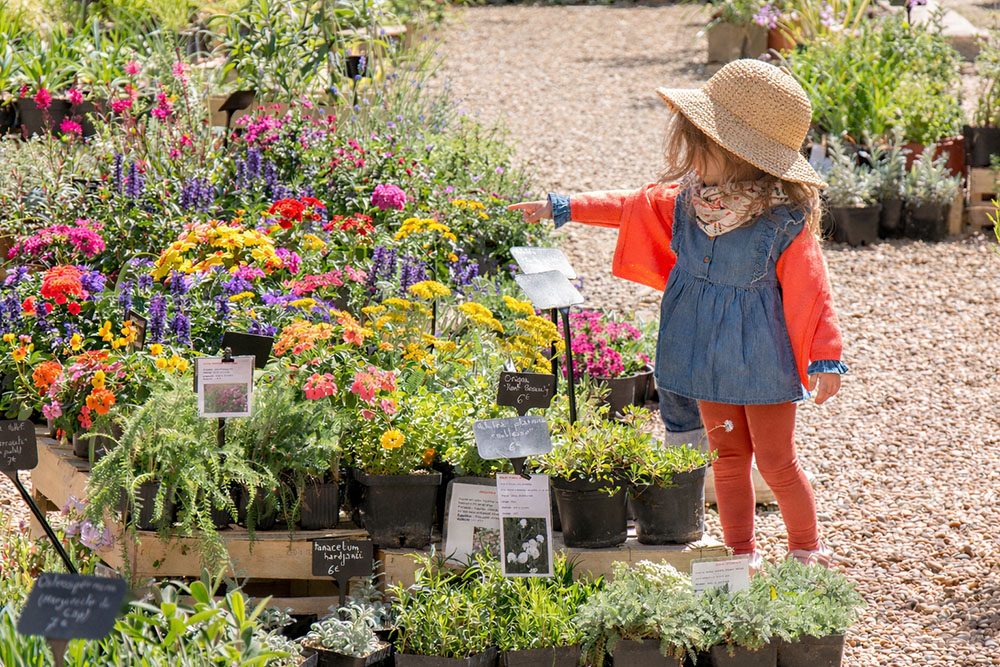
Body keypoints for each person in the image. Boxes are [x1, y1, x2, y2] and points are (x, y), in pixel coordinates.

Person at [509, 59, 847, 568]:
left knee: (777, 462)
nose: (689, 156)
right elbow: (630, 206)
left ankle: (804, 550)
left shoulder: (784, 221)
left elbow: (812, 292)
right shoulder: (690, 200)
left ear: (736, 154)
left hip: (764, 361)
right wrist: (566, 207)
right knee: (726, 461)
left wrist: (824, 357)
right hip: (705, 355)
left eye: (699, 145)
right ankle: (740, 554)